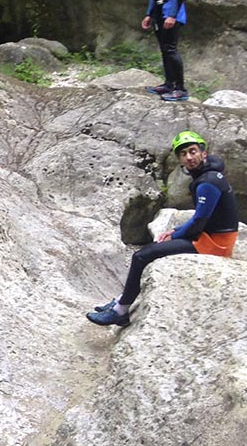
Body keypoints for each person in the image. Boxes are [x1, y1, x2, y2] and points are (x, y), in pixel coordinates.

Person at [88, 131, 239, 327]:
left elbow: (200, 220)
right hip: (211, 237)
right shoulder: (209, 175)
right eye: (183, 154)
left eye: (193, 151)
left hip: (214, 244)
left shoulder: (208, 183)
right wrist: (175, 233)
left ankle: (120, 311)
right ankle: (121, 299)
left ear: (204, 153)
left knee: (141, 255)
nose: (189, 157)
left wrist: (176, 235)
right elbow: (202, 217)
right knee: (156, 245)